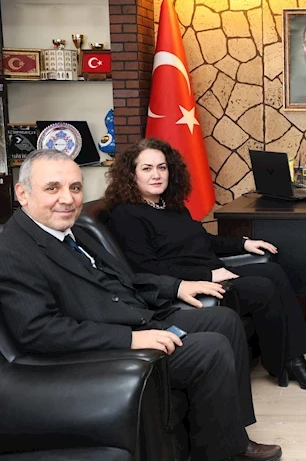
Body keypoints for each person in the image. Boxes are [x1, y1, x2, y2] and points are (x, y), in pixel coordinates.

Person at [0, 149, 282, 461]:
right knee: (210, 349)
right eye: (52, 188)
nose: (67, 199)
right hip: (105, 348)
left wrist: (177, 286)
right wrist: (131, 339)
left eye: (75, 187)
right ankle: (225, 452)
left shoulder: (73, 231)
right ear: (22, 193)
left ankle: (233, 436)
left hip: (136, 315)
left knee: (223, 320)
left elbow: (125, 278)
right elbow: (39, 331)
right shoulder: (13, 250)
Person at [103, 138, 306, 392]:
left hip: (212, 270)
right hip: (191, 284)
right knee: (263, 287)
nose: (156, 175)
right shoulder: (126, 215)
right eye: (147, 168)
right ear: (131, 175)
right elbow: (145, 268)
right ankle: (289, 363)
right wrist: (206, 274)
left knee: (273, 270)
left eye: (162, 167)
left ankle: (291, 359)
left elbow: (202, 239)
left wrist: (243, 244)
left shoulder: (170, 204)